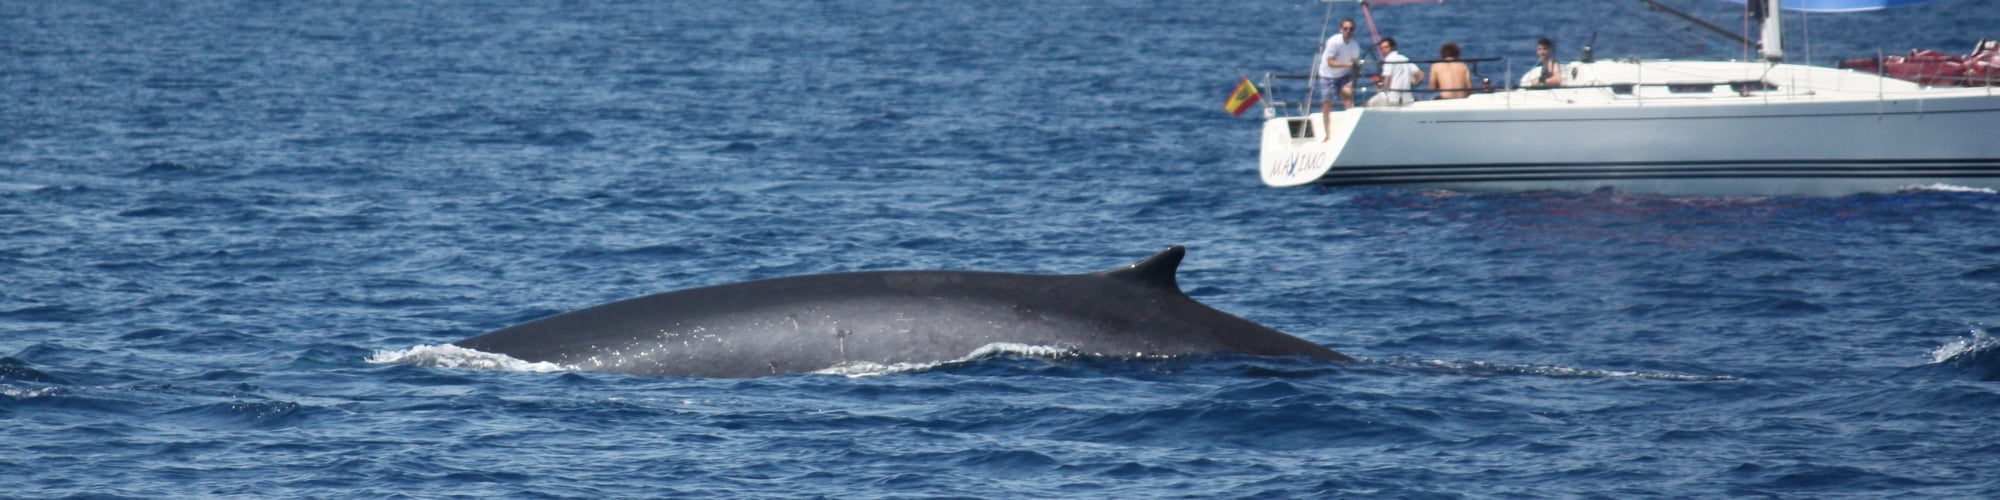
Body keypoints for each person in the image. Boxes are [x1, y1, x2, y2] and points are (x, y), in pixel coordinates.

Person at [1315, 18, 1364, 137]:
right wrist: (1348, 65)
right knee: (1327, 103)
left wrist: (1353, 79)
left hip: (1343, 75)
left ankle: (1350, 130)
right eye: (1346, 29)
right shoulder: (1334, 42)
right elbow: (1330, 62)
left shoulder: (1355, 46)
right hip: (1327, 75)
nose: (1348, 31)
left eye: (1351, 29)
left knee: (1348, 96)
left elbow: (1356, 66)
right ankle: (1327, 134)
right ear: (1341, 29)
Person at [1366, 37, 1423, 107]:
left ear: (1392, 48)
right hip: (1408, 99)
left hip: (1393, 99)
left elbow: (1387, 82)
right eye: (1381, 48)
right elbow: (1420, 74)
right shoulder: (1404, 59)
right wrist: (1413, 83)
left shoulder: (1388, 60)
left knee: (1368, 104)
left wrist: (1379, 86)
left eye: (1386, 47)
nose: (1383, 50)